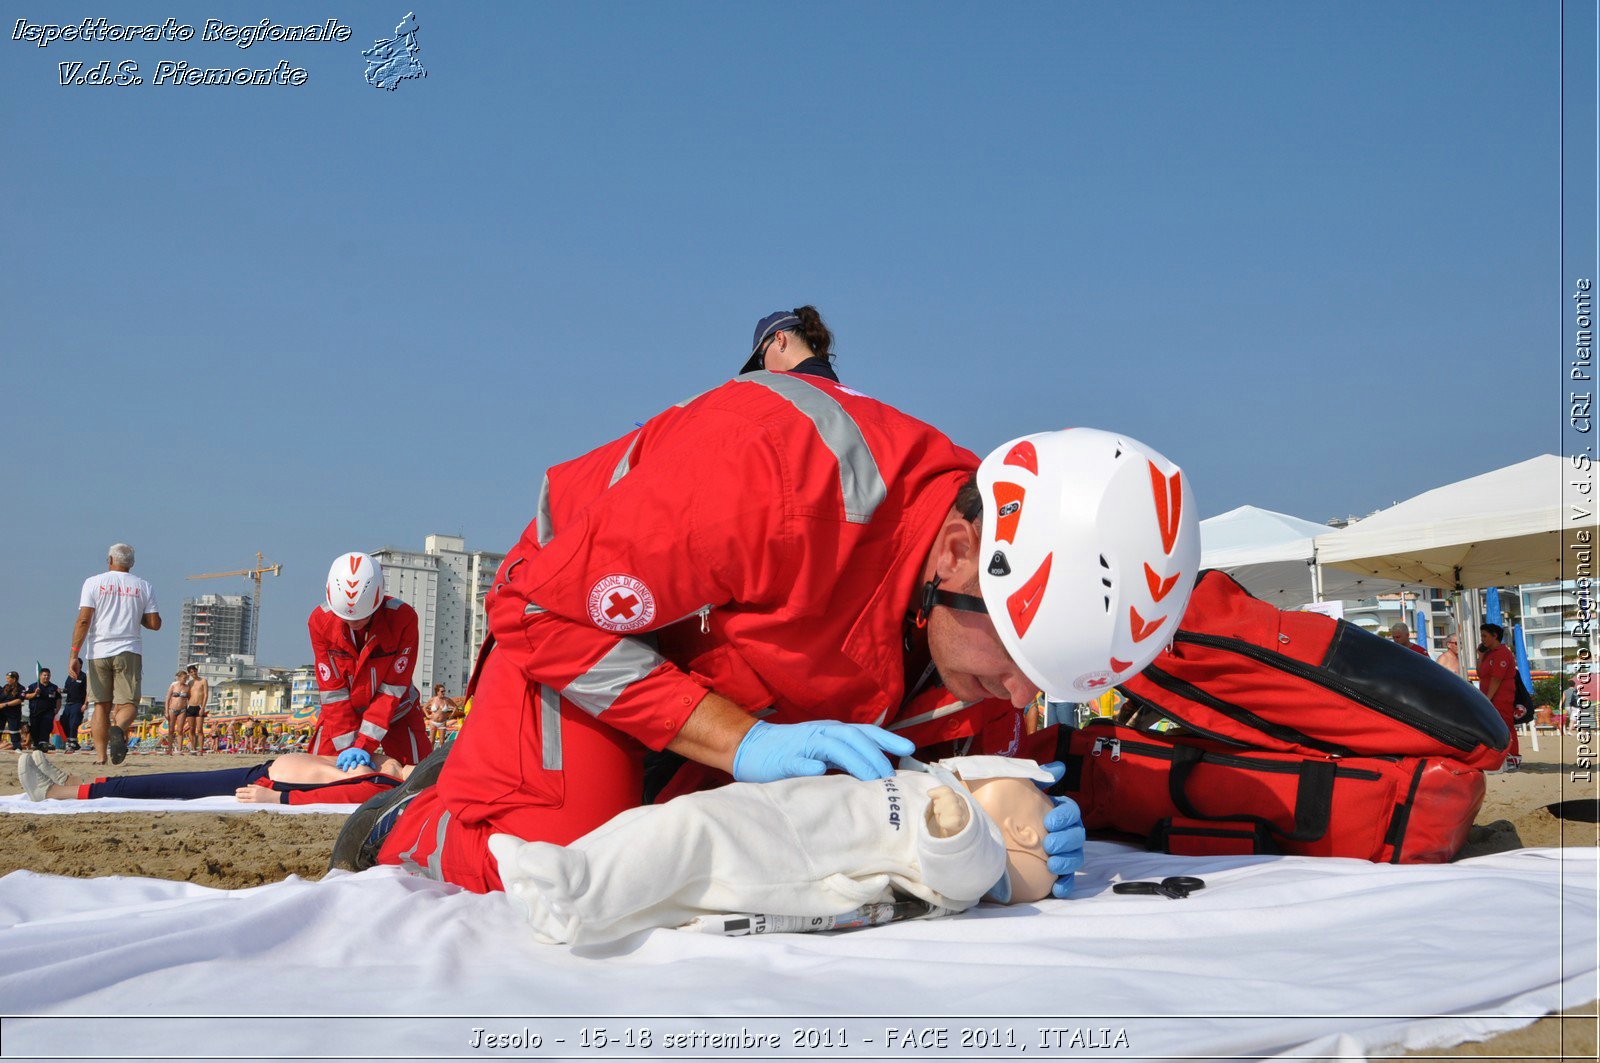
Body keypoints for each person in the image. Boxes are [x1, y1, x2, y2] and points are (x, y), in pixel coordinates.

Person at [335, 376, 1199, 905]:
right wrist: (740, 741)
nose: (1019, 699)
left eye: (1043, 683)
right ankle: (410, 820)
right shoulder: (776, 477)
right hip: (583, 615)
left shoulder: (989, 593)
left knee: (717, 861)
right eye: (1017, 664)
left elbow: (969, 752)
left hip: (749, 664)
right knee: (577, 860)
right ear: (958, 552)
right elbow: (537, 607)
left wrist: (1016, 820)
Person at [492, 756, 1059, 946]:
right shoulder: (943, 778)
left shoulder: (975, 840)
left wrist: (954, 833)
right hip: (784, 811)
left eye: (1040, 798)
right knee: (669, 839)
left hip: (799, 853)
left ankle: (575, 889)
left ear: (1025, 834)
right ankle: (575, 893)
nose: (1039, 793)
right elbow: (979, 769)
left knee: (693, 832)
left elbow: (962, 878)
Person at [307, 553, 431, 769]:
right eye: (346, 618)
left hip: (397, 710)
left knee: (421, 775)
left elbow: (392, 690)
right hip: (342, 712)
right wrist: (348, 747)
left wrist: (364, 744)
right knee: (317, 770)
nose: (354, 622)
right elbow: (332, 691)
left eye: (362, 617)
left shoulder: (403, 619)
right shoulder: (320, 622)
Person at [16, 748, 412, 805]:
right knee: (172, 781)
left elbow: (343, 798)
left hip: (265, 783)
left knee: (166, 785)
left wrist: (280, 800)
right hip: (265, 767)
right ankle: (69, 781)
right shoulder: (392, 764)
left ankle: (55, 792)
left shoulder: (391, 785)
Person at [72, 543, 161, 765]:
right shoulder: (143, 586)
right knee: (128, 703)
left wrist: (74, 653)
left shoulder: (93, 582)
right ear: (132, 563)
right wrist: (135, 612)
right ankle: (119, 729)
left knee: (101, 705)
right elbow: (154, 624)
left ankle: (101, 757)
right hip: (129, 649)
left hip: (98, 651)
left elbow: (84, 620)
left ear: (110, 559)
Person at [737, 306, 840, 382]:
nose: (764, 369)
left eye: (760, 360)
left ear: (780, 339)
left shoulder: (789, 388)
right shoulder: (833, 383)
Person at [1477, 623, 1520, 769]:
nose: (1482, 639)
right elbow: (1480, 674)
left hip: (1501, 697)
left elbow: (1497, 678)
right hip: (1489, 695)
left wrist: (1487, 698)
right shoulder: (1489, 653)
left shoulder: (1503, 652)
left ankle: (1513, 757)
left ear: (1495, 636)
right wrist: (1481, 656)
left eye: (1485, 636)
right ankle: (1497, 757)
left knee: (1506, 725)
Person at [21, 669, 61, 752]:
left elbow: (58, 699)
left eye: (48, 675)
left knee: (46, 728)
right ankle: (36, 744)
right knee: (35, 728)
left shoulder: (54, 687)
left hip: (48, 712)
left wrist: (57, 709)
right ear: (40, 676)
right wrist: (35, 693)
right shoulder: (33, 686)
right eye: (44, 675)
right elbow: (25, 696)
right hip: (35, 712)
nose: (46, 677)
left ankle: (44, 744)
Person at [59, 657, 86, 753]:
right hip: (68, 704)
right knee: (63, 721)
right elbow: (67, 689)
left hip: (78, 703)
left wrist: (85, 704)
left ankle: (72, 743)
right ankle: (71, 741)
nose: (74, 665)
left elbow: (87, 692)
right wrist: (60, 690)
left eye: (76, 663)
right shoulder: (69, 677)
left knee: (74, 723)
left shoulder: (83, 677)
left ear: (80, 665)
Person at [164, 671, 189, 755]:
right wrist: (166, 711)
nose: (185, 680)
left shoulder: (187, 687)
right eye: (184, 678)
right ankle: (170, 748)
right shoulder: (173, 686)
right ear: (179, 677)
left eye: (186, 678)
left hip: (182, 710)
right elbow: (167, 699)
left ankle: (179, 749)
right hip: (172, 709)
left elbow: (189, 699)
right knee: (171, 730)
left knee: (180, 730)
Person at [0, 673, 25, 752]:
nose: (7, 680)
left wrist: (5, 704)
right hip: (2, 712)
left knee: (14, 729)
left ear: (14, 679)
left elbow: (20, 700)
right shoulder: (5, 687)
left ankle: (17, 747)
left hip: (13, 713)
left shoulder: (21, 688)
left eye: (8, 678)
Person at [189, 665, 210, 752]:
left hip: (199, 706)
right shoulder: (190, 683)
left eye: (194, 671)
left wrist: (203, 707)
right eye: (191, 672)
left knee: (200, 729)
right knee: (191, 729)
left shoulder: (203, 681)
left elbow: (206, 695)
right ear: (189, 673)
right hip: (190, 706)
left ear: (197, 671)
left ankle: (201, 749)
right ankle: (193, 748)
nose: (193, 673)